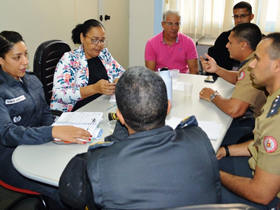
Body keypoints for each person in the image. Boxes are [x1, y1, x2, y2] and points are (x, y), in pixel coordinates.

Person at [59, 66, 221, 209]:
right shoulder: (198, 139)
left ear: (119, 117)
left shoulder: (101, 164)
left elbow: (70, 194)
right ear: (168, 107)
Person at [0, 31, 91, 209]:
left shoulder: (33, 81)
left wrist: (55, 132)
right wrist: (51, 132)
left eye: (25, 54)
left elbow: (45, 114)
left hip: (40, 145)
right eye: (16, 57)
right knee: (65, 188)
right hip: (10, 156)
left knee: (81, 169)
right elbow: (6, 133)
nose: (25, 62)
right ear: (1, 60)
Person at [216, 33, 280, 209]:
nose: (251, 65)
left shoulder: (277, 119)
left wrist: (214, 174)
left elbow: (261, 194)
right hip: (261, 172)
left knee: (197, 187)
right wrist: (226, 150)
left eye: (257, 59)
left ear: (277, 65)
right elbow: (261, 143)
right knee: (213, 159)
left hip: (267, 197)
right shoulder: (275, 98)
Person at [199, 23, 266, 146]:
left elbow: (235, 110)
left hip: (254, 127)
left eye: (230, 42)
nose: (226, 45)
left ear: (243, 45)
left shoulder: (250, 68)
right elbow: (238, 77)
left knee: (206, 140)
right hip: (255, 122)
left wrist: (213, 96)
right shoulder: (251, 61)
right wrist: (217, 69)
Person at [50, 19, 125, 112]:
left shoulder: (104, 54)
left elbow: (122, 73)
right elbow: (59, 94)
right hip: (77, 111)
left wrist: (118, 80)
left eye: (102, 40)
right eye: (94, 40)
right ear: (82, 38)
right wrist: (94, 88)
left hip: (101, 105)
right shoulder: (70, 59)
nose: (99, 45)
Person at [208, 1, 254, 71]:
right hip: (224, 78)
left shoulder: (259, 39)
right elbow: (216, 63)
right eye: (236, 16)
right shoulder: (224, 37)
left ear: (251, 17)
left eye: (243, 16)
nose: (239, 20)